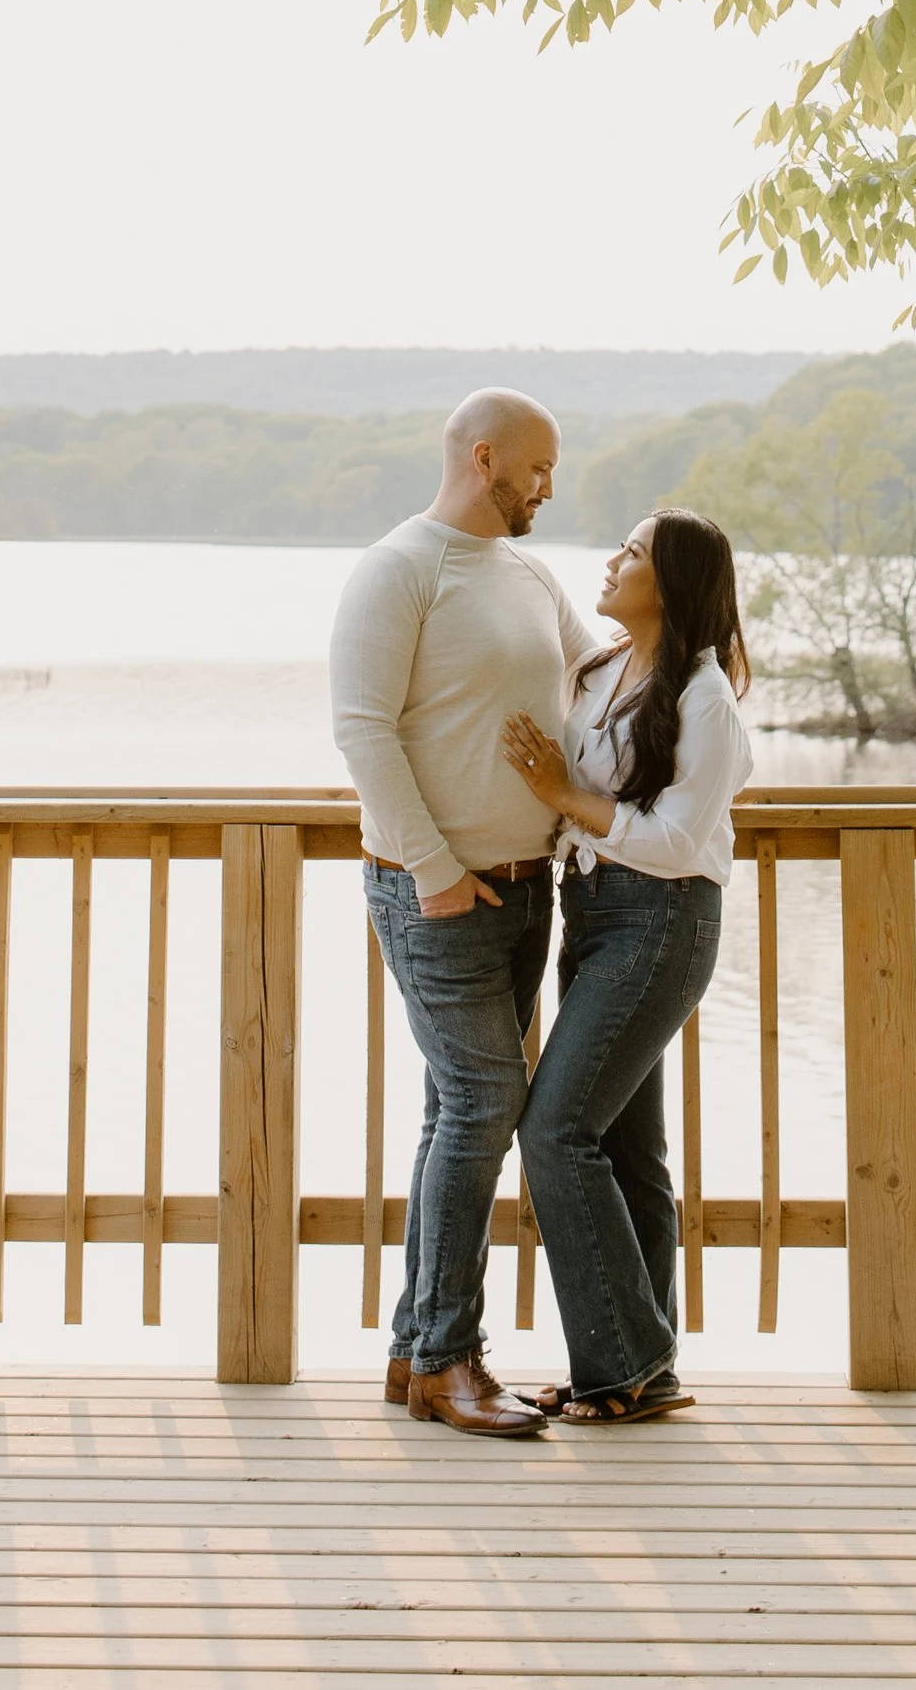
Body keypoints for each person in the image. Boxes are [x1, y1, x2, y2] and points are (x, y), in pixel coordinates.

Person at [328, 385, 599, 1437]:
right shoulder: (399, 570)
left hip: (528, 887)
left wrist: (702, 662)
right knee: (485, 1104)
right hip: (434, 892)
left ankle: (414, 1354)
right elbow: (361, 732)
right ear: (483, 457)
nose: (546, 487)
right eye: (537, 468)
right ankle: (447, 1361)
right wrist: (435, 869)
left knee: (458, 1110)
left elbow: (599, 672)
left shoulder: (529, 574)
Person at [501, 508, 754, 1424]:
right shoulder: (604, 667)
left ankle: (625, 1362)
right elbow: (524, 623)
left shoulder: (702, 695)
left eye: (634, 553)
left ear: (672, 582)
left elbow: (682, 837)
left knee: (556, 1130)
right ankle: (639, 1364)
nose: (611, 562)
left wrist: (564, 795)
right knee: (623, 1146)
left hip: (664, 922)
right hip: (595, 912)